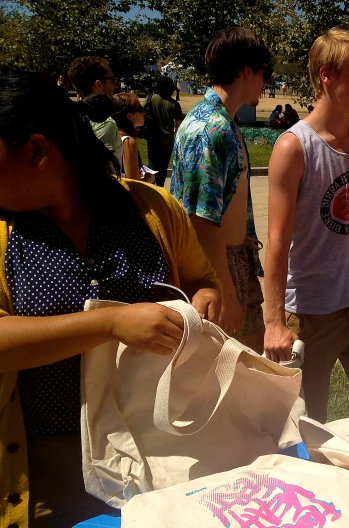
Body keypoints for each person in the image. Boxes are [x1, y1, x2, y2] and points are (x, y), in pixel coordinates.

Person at [0, 71, 221, 528]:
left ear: (38, 151)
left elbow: (203, 280)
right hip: (50, 468)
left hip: (164, 449)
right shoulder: (5, 235)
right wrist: (109, 324)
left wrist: (204, 301)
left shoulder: (152, 209)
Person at [264, 28, 349, 422]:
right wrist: (273, 322)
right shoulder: (295, 147)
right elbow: (277, 240)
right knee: (306, 421)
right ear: (326, 75)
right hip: (310, 312)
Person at [171, 26, 272, 352]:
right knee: (236, 371)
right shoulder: (212, 128)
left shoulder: (215, 119)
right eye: (263, 73)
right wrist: (225, 293)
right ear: (247, 71)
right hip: (219, 266)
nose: (265, 82)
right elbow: (202, 221)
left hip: (229, 261)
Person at [68, 56, 122, 164]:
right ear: (98, 84)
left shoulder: (68, 118)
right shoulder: (105, 123)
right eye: (112, 80)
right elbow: (104, 174)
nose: (115, 86)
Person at [143, 76, 183, 187]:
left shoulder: (152, 98)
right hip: (167, 139)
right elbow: (179, 124)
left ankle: (150, 186)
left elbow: (143, 111)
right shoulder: (174, 104)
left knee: (152, 162)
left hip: (153, 136)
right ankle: (160, 187)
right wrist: (173, 133)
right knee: (163, 166)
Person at [112, 92, 154, 183]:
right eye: (140, 109)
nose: (144, 112)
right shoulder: (128, 141)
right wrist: (149, 177)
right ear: (129, 116)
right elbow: (134, 184)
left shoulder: (112, 135)